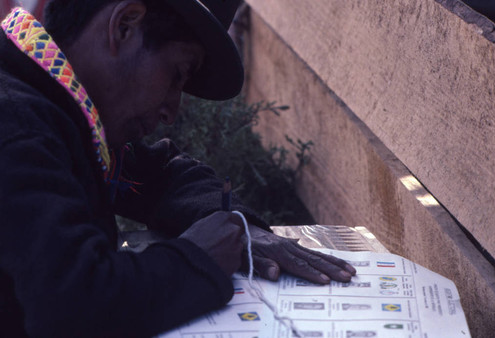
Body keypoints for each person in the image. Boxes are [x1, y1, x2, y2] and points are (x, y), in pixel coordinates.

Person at [0, 0, 356, 336]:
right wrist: (197, 260)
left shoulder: (56, 105)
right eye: (177, 75)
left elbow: (159, 176)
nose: (171, 112)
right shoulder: (17, 127)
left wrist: (239, 227)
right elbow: (72, 304)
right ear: (124, 26)